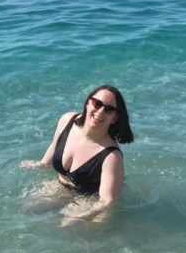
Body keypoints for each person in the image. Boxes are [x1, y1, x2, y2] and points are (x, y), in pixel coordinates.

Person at [21, 85, 134, 219]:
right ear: (87, 103)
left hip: (88, 198)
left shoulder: (111, 156)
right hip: (59, 186)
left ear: (114, 118)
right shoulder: (67, 121)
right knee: (26, 210)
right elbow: (54, 146)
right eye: (97, 104)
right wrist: (42, 164)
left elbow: (107, 202)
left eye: (108, 109)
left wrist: (80, 217)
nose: (100, 111)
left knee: (65, 228)